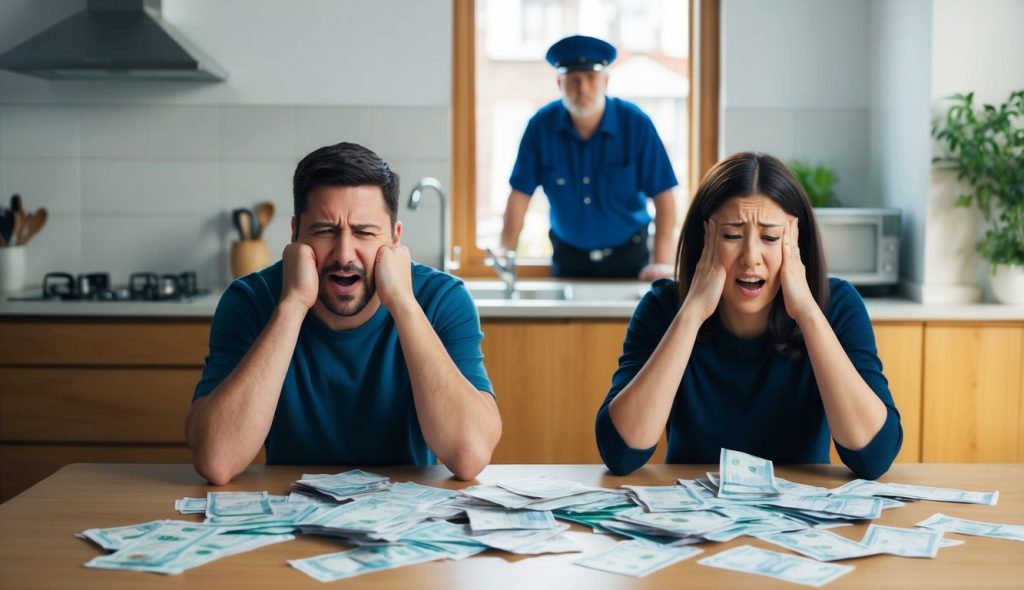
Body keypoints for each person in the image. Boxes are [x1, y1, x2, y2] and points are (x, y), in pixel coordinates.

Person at [186, 142, 502, 485]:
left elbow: (469, 456)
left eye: (365, 232)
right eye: (324, 231)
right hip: (288, 507)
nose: (344, 254)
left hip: (404, 517)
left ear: (395, 240)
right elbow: (216, 460)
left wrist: (403, 302)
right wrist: (292, 305)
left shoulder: (441, 299)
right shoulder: (250, 300)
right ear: (294, 234)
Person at [595, 152, 902, 479]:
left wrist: (808, 313)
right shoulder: (662, 308)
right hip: (693, 514)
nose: (751, 258)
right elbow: (621, 453)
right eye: (731, 236)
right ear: (704, 241)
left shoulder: (837, 306)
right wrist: (692, 313)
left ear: (797, 242)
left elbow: (874, 457)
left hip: (798, 513)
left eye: (770, 238)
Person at [499, 34, 678, 280]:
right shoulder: (540, 126)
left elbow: (664, 196)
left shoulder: (636, 124)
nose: (582, 88)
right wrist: (504, 252)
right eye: (574, 80)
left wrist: (661, 262)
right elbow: (519, 195)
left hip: (631, 259)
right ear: (560, 84)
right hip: (568, 260)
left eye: (591, 78)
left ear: (606, 81)